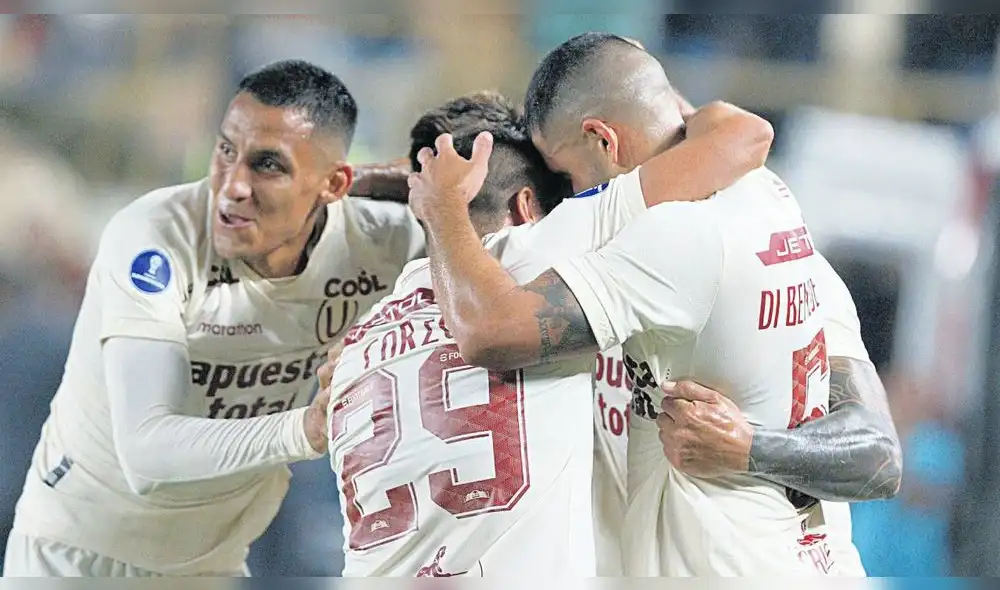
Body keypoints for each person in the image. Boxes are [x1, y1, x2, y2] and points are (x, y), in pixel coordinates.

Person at [407, 33, 901, 576]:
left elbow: (488, 331)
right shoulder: (769, 205)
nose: (567, 199)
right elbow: (877, 454)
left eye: (566, 177)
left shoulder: (675, 238)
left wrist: (747, 448)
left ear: (603, 140)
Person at [2, 59, 424, 577]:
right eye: (226, 150)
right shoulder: (155, 236)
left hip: (211, 558)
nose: (233, 185)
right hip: (82, 556)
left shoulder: (380, 241)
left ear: (334, 184)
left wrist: (429, 190)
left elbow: (490, 212)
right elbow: (148, 455)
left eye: (268, 165)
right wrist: (307, 429)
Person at [324, 94, 770, 575]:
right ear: (526, 206)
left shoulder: (355, 347)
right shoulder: (541, 248)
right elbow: (743, 136)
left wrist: (412, 188)